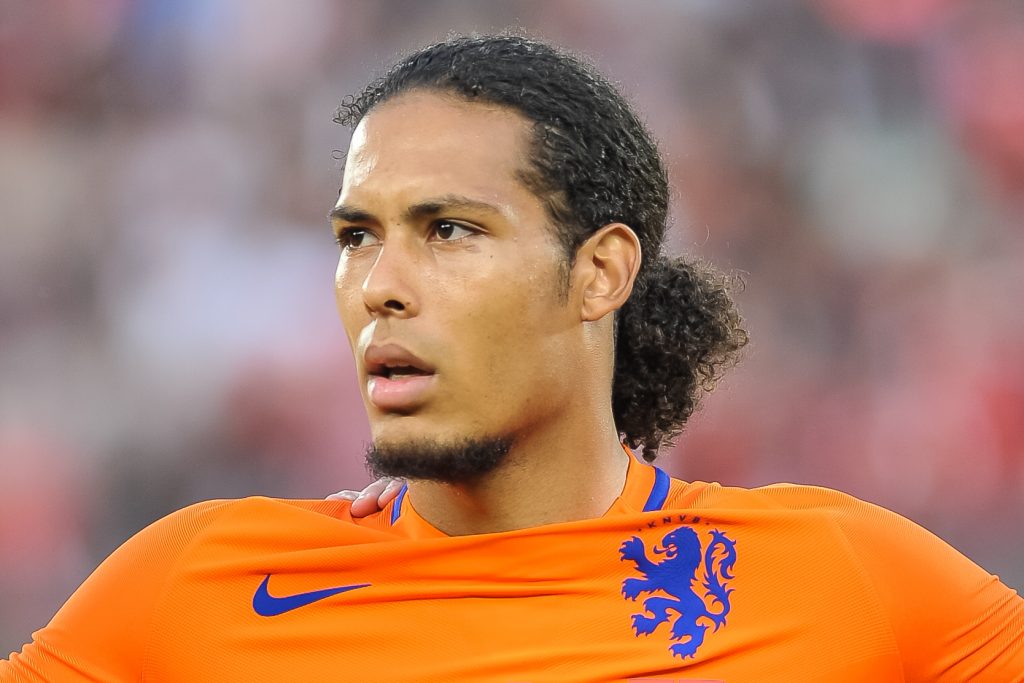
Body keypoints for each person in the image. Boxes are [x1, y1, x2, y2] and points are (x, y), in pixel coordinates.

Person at [2, 34, 1022, 682]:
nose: (379, 284)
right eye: (357, 235)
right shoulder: (196, 588)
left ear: (599, 272)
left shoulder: (841, 580)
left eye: (449, 229)